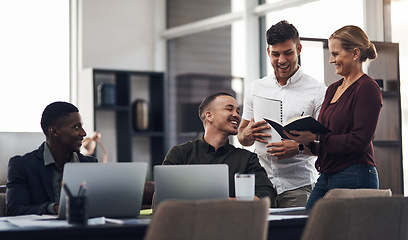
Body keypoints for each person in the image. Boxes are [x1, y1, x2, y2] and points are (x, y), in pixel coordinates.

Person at [285, 25, 382, 209]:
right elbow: (325, 139)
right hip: (327, 175)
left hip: (356, 174)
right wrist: (301, 141)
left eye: (336, 54)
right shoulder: (332, 89)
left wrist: (317, 137)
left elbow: (359, 140)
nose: (331, 60)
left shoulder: (368, 88)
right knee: (308, 227)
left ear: (355, 53)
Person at [238, 20, 327, 207]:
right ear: (268, 52)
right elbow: (242, 138)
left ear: (299, 49)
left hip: (299, 185)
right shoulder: (256, 88)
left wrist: (299, 148)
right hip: (261, 184)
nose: (282, 60)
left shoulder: (318, 91)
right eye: (276, 54)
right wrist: (247, 134)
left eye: (288, 53)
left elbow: (326, 144)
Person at [163, 92, 277, 204]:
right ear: (209, 115)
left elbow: (268, 194)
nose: (237, 115)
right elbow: (163, 194)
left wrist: (228, 202)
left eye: (238, 111)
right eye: (229, 109)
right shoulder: (180, 153)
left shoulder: (247, 158)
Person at [6, 101, 98, 216]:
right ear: (54, 131)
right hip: (42, 233)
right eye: (76, 127)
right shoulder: (21, 166)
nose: (83, 133)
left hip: (82, 232)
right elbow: (15, 210)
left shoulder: (90, 165)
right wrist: (54, 208)